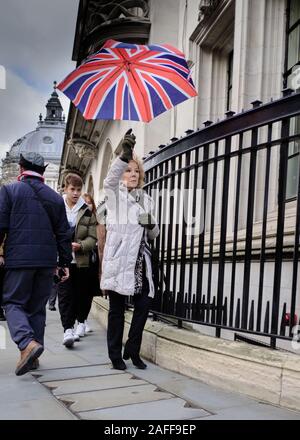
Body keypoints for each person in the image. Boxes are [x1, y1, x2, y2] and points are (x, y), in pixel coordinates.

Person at [0, 152, 72, 375]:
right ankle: (32, 358)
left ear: (21, 168)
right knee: (37, 309)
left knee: (12, 302)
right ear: (42, 171)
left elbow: (0, 226)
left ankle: (26, 343)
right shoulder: (55, 197)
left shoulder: (9, 191)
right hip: (47, 261)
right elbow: (63, 234)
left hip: (18, 258)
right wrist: (64, 263)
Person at [101, 131, 159, 370]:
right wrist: (123, 157)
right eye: (129, 170)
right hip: (120, 259)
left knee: (144, 306)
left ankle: (132, 349)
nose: (133, 174)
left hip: (141, 262)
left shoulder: (147, 199)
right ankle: (115, 355)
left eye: (136, 170)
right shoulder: (115, 196)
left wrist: (151, 224)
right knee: (116, 310)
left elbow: (154, 235)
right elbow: (108, 181)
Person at [57, 173, 98, 347]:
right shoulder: (57, 208)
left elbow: (92, 237)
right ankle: (67, 330)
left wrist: (80, 246)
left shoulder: (87, 211)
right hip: (62, 261)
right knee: (65, 296)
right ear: (65, 189)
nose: (75, 193)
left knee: (82, 295)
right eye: (72, 189)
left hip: (81, 262)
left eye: (78, 190)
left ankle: (80, 322)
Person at [82, 193, 103, 333]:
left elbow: (102, 244)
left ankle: (83, 320)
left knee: (88, 293)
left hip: (93, 261)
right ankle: (79, 321)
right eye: (85, 203)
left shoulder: (98, 221)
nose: (88, 205)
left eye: (90, 202)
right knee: (78, 293)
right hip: (79, 260)